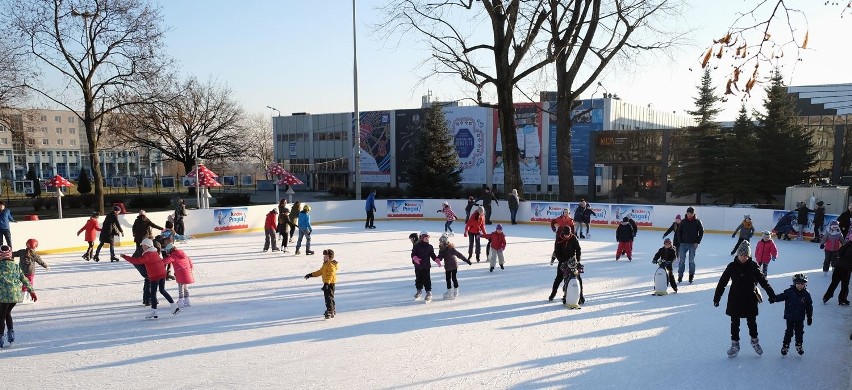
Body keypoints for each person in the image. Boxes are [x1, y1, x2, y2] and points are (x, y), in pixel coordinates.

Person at [713, 241, 777, 358]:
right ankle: (735, 345)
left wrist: (771, 294)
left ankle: (755, 342)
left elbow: (763, 281)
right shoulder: (732, 266)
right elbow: (722, 282)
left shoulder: (753, 266)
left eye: (746, 255)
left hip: (750, 299)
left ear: (749, 255)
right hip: (735, 299)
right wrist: (717, 297)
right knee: (734, 323)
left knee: (752, 322)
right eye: (741, 255)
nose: (743, 257)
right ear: (737, 255)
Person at [121, 238, 179, 318]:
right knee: (162, 290)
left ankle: (154, 311)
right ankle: (174, 306)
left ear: (147, 246)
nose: (142, 247)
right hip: (162, 273)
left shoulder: (147, 255)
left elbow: (136, 261)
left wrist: (125, 256)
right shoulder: (154, 252)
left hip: (155, 275)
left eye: (144, 246)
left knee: (153, 293)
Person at [0, 245, 37, 348]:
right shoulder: (16, 266)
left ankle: (1, 338)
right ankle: (11, 334)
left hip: (3, 296)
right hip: (15, 295)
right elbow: (24, 279)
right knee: (7, 312)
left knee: (1, 316)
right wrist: (32, 291)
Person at [772, 273, 813, 356]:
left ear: (805, 284)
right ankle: (785, 346)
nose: (800, 285)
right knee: (789, 332)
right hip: (790, 317)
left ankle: (799, 345)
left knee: (799, 332)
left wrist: (809, 316)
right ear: (794, 283)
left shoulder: (806, 295)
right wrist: (774, 298)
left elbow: (809, 306)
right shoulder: (789, 292)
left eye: (802, 284)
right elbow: (781, 296)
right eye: (798, 283)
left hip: (800, 318)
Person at [549, 225, 583, 304]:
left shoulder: (573, 238)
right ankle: (553, 294)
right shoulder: (559, 239)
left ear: (570, 233)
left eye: (568, 234)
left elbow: (578, 250)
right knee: (559, 278)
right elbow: (557, 252)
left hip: (572, 262)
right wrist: (562, 261)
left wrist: (577, 260)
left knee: (577, 278)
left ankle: (580, 296)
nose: (566, 236)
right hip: (563, 261)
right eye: (565, 234)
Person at [304, 249, 339, 319]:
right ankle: (332, 310)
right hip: (327, 283)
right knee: (329, 297)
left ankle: (330, 310)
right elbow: (320, 272)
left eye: (325, 257)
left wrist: (327, 283)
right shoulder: (325, 264)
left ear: (329, 258)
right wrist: (311, 275)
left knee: (329, 298)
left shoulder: (331, 266)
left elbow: (330, 275)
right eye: (324, 256)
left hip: (330, 284)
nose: (324, 258)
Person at [161, 237, 195, 308]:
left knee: (180, 287)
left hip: (180, 273)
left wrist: (157, 261)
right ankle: (187, 300)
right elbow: (190, 261)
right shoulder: (182, 253)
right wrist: (190, 270)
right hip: (187, 271)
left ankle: (181, 300)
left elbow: (165, 261)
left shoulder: (173, 255)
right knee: (185, 287)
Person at [675, 206, 704, 284]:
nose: (689, 214)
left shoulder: (697, 222)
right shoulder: (683, 221)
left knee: (691, 261)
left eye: (691, 213)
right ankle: (680, 276)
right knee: (681, 261)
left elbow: (701, 232)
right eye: (688, 213)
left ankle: (691, 275)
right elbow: (679, 232)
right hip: (683, 244)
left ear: (693, 213)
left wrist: (697, 242)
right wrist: (680, 242)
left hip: (692, 245)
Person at [437, 233, 470, 300]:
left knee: (453, 278)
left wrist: (466, 260)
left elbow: (459, 255)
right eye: (440, 242)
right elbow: (440, 258)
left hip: (453, 265)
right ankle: (449, 291)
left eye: (441, 242)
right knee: (448, 279)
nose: (440, 243)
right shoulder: (441, 250)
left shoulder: (451, 248)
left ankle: (456, 290)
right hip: (448, 266)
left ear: (445, 242)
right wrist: (437, 259)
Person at [411, 231, 440, 302]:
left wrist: (436, 259)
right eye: (425, 238)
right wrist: (415, 258)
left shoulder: (430, 247)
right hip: (418, 266)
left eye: (428, 238)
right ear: (421, 238)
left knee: (427, 279)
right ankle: (419, 291)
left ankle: (428, 292)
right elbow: (413, 254)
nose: (427, 239)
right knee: (418, 279)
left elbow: (432, 255)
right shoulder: (416, 246)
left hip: (426, 266)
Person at [822, 240, 852, 306]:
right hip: (846, 269)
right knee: (845, 285)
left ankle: (826, 297)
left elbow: (839, 253)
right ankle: (842, 299)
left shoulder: (845, 246)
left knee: (834, 283)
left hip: (838, 267)